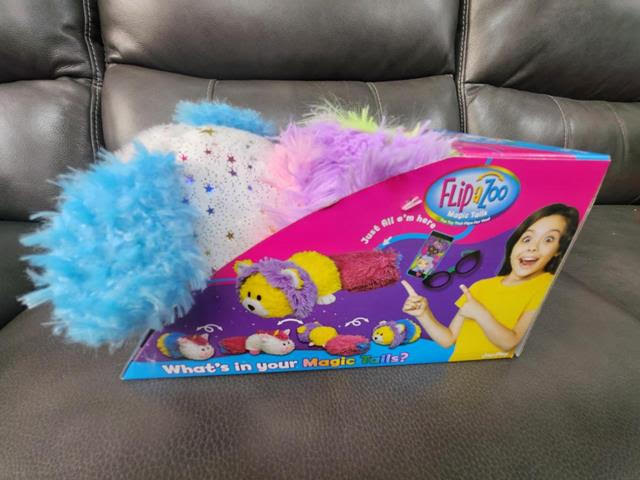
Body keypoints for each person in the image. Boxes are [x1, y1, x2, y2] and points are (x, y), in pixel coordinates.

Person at [401, 203, 579, 361]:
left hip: (494, 368)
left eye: (549, 239)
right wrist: (423, 314)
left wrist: (481, 314)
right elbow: (448, 340)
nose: (532, 247)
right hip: (458, 369)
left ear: (558, 250)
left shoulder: (546, 285)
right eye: (527, 239)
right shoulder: (481, 286)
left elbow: (510, 343)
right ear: (516, 242)